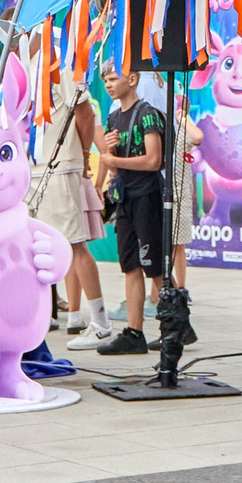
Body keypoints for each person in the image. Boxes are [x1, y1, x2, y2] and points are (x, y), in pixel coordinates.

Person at [91, 69, 166, 357]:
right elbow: (114, 164)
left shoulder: (147, 114)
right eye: (106, 80)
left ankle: (173, 326)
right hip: (125, 197)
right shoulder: (113, 118)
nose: (108, 85)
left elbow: (153, 160)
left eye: (113, 79)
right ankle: (134, 332)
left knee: (155, 266)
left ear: (132, 80)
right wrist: (110, 164)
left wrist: (114, 158)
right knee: (130, 265)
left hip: (147, 196)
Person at [31, 77, 109, 343]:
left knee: (74, 244)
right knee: (35, 247)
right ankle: (40, 314)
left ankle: (99, 322)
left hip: (60, 167)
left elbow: (85, 114)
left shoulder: (58, 62)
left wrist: (84, 155)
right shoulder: (17, 63)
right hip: (30, 168)